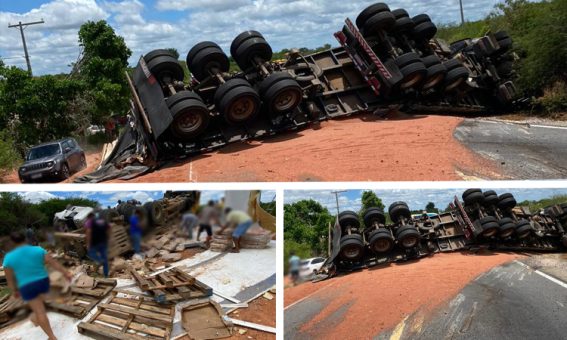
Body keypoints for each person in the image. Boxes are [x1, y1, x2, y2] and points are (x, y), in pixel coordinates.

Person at [3, 231, 72, 340]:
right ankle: (35, 318)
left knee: (39, 311)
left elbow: (10, 279)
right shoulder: (38, 249)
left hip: (26, 286)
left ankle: (51, 337)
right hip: (43, 283)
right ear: (25, 239)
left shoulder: (8, 258)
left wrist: (14, 291)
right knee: (39, 305)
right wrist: (66, 273)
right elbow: (53, 263)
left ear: (13, 242)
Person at [85, 212, 111, 277]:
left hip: (94, 243)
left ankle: (99, 260)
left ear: (90, 217)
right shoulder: (103, 221)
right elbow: (109, 228)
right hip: (103, 242)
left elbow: (88, 232)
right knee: (105, 260)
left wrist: (88, 243)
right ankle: (106, 276)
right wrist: (108, 237)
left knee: (90, 253)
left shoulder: (90, 221)